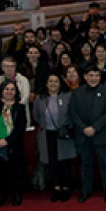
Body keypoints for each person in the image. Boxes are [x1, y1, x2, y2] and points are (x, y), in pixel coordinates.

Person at [68, 66, 106, 203]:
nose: (94, 78)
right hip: (83, 134)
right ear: (85, 77)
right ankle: (86, 190)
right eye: (91, 75)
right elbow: (72, 112)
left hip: (100, 133)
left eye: (96, 75)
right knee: (85, 164)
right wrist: (83, 128)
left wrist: (95, 127)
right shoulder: (77, 92)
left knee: (105, 163)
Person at [0, 79, 28, 208]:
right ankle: (0, 196)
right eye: (6, 89)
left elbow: (21, 127)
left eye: (12, 89)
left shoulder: (20, 107)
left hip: (13, 144)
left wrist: (7, 140)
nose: (9, 91)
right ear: (1, 91)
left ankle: (16, 194)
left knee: (15, 170)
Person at [33, 74, 77, 203]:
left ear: (60, 83)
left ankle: (66, 187)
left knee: (64, 161)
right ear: (46, 84)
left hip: (63, 133)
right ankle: (56, 187)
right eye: (50, 81)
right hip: (47, 134)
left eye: (56, 81)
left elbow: (72, 114)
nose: (53, 84)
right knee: (52, 161)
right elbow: (36, 116)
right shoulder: (40, 98)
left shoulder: (67, 96)